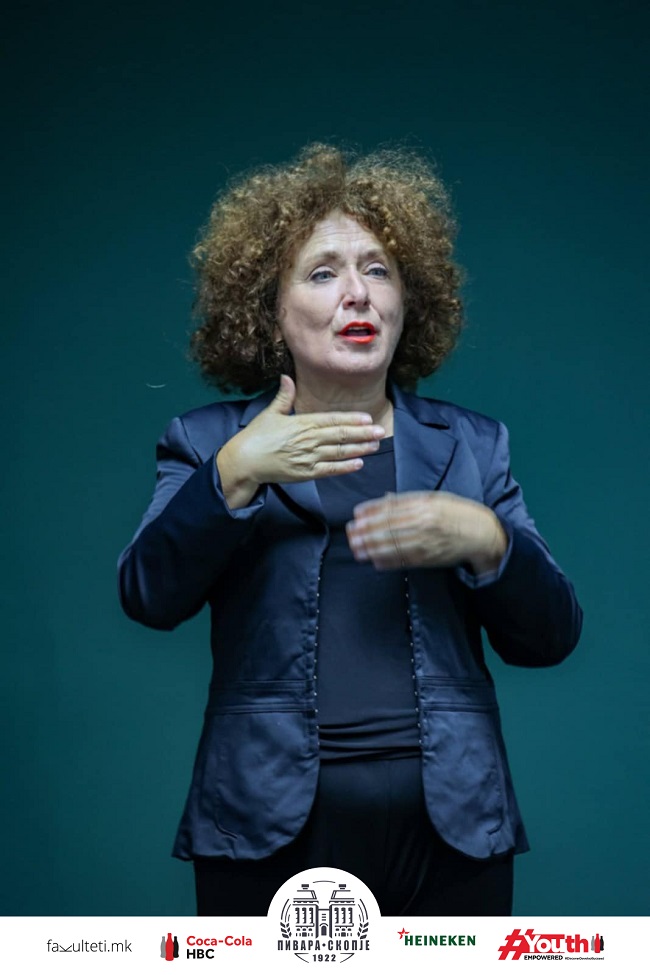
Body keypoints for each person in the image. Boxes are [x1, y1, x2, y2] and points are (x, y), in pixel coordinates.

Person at [117, 143, 583, 917]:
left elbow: (552, 636)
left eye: (378, 270)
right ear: (269, 309)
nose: (357, 293)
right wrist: (236, 470)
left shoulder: (474, 446)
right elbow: (147, 594)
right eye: (323, 273)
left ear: (408, 301)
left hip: (454, 829)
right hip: (263, 821)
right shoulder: (208, 442)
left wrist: (488, 540)